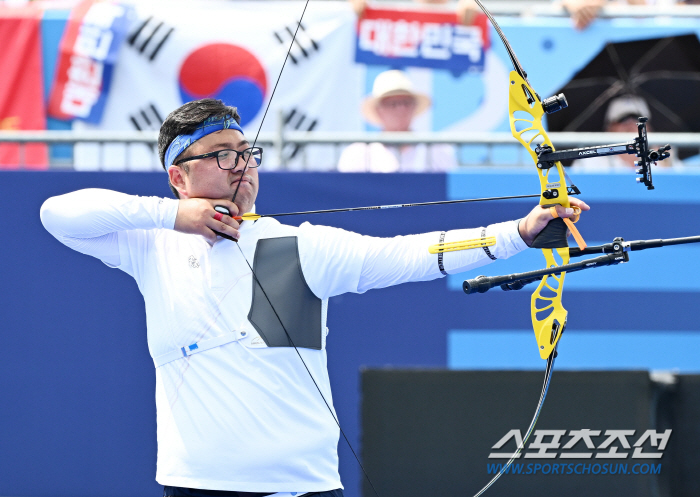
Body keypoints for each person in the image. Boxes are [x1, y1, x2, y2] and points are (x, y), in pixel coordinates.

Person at [40, 98, 589, 497]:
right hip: (194, 485)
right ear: (178, 177)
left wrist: (518, 232)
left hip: (301, 488)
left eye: (246, 152)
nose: (243, 165)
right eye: (222, 156)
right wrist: (173, 216)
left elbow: (413, 254)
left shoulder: (300, 246)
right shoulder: (151, 245)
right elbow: (57, 214)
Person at [337, 70, 459, 172]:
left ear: (414, 107)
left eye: (406, 103)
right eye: (393, 104)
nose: (401, 109)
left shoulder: (436, 150)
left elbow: (452, 193)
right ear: (379, 110)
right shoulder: (358, 153)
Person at [570, 95, 668, 170]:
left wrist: (667, 166)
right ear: (608, 128)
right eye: (623, 119)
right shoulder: (589, 162)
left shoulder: (667, 160)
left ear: (649, 127)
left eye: (637, 119)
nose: (631, 123)